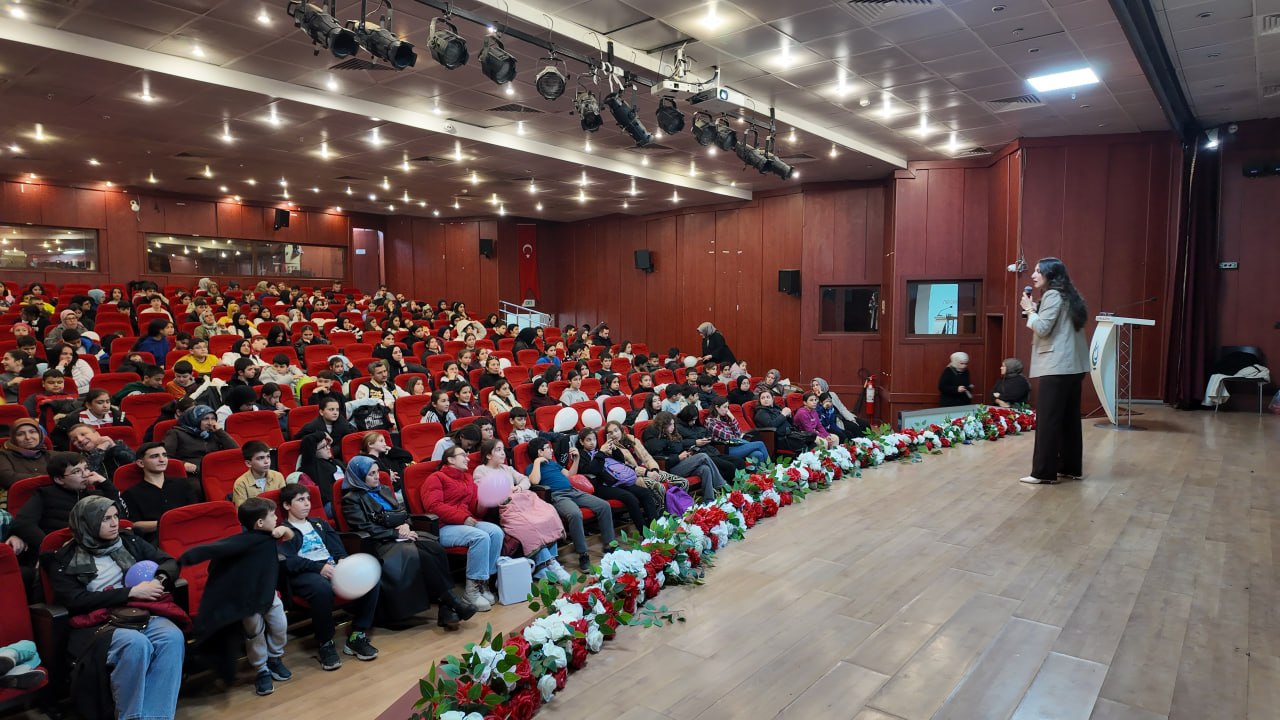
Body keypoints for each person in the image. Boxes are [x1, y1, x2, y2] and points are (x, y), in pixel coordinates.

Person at [45, 497, 185, 720]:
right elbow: (75, 600)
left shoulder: (129, 541)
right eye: (105, 519)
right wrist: (130, 592)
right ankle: (130, 716)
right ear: (87, 523)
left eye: (115, 517)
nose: (114, 524)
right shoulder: (63, 559)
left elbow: (169, 562)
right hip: (95, 623)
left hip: (135, 612)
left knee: (171, 636)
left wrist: (159, 580)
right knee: (135, 644)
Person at [340, 455, 478, 628]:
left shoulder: (384, 490)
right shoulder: (352, 499)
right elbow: (364, 527)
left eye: (377, 472)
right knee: (421, 555)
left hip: (401, 536)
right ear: (359, 477)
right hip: (380, 542)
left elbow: (403, 513)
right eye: (371, 474)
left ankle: (447, 606)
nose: (377, 477)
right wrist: (394, 532)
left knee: (435, 548)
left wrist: (405, 525)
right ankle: (452, 602)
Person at [178, 497, 293, 696]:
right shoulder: (244, 541)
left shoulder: (272, 535)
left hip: (269, 595)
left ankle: (275, 657)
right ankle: (261, 669)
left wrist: (283, 530)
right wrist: (186, 558)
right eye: (273, 515)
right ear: (259, 523)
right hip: (247, 601)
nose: (277, 518)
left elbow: (290, 535)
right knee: (254, 634)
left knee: (280, 625)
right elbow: (216, 548)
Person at [277, 484, 380, 670]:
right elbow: (289, 562)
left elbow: (337, 548)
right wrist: (318, 568)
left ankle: (357, 635)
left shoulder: (319, 523)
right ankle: (326, 642)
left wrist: (342, 561)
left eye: (308, 499)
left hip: (331, 566)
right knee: (321, 588)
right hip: (305, 573)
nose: (307, 504)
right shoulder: (283, 530)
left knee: (370, 578)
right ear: (286, 505)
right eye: (300, 500)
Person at [1019, 257, 1090, 485]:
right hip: (1074, 367)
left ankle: (1043, 473)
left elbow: (1042, 328)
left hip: (1057, 366)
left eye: (1039, 271)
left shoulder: (1052, 295)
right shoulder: (1070, 295)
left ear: (1051, 274)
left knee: (1048, 420)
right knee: (1069, 419)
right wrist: (1035, 310)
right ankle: (1069, 467)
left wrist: (1030, 310)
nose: (1033, 275)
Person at [472, 439, 569, 583]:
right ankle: (550, 563)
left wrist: (520, 487)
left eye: (503, 449)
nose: (502, 453)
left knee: (549, 513)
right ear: (488, 455)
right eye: (498, 450)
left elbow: (525, 479)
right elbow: (483, 491)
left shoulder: (506, 468)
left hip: (522, 500)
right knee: (530, 525)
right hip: (505, 505)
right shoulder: (481, 470)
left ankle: (543, 566)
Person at [422, 447, 505, 611]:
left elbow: (475, 509)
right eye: (463, 455)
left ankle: (484, 583)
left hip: (466, 522)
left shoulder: (467, 478)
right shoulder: (436, 478)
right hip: (443, 527)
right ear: (450, 460)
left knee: (496, 532)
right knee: (480, 537)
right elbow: (433, 506)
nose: (467, 458)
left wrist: (485, 501)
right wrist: (462, 518)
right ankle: (471, 591)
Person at [525, 437, 613, 573]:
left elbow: (570, 475)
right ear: (540, 452)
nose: (551, 449)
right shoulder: (531, 467)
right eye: (548, 448)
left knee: (604, 505)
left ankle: (609, 544)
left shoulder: (554, 464)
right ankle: (583, 554)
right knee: (575, 514)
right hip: (557, 496)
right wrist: (537, 462)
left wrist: (576, 459)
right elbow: (534, 481)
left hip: (573, 491)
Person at [575, 428, 661, 533]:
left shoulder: (600, 451)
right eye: (588, 440)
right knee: (630, 498)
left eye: (594, 439)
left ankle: (656, 529)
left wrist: (615, 449)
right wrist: (601, 453)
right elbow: (593, 470)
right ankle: (645, 533)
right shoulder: (581, 455)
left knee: (645, 493)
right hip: (600, 486)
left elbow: (620, 461)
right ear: (581, 442)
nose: (592, 443)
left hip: (617, 480)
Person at [122, 442, 202, 543]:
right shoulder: (131, 494)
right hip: (157, 540)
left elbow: (196, 511)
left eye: (164, 455)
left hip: (190, 532)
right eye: (154, 456)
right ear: (141, 463)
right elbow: (134, 524)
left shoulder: (183, 484)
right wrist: (168, 523)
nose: (162, 459)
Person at [642, 412, 726, 502]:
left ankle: (709, 500)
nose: (673, 427)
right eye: (670, 425)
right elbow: (660, 459)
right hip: (668, 469)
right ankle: (721, 486)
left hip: (679, 463)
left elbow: (679, 445)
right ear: (663, 425)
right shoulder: (652, 438)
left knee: (705, 469)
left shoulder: (669, 433)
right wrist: (678, 457)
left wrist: (686, 454)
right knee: (703, 456)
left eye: (673, 424)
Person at [163, 404, 238, 476]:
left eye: (213, 419)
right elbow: (165, 456)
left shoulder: (214, 433)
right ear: (194, 419)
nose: (210, 423)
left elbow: (236, 452)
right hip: (191, 474)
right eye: (205, 419)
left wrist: (220, 432)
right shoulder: (176, 433)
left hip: (215, 472)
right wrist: (183, 465)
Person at [706, 396, 770, 466]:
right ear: (717, 407)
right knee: (760, 444)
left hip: (735, 445)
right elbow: (728, 437)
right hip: (725, 449)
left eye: (728, 407)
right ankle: (771, 468)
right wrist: (737, 438)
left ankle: (759, 475)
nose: (727, 410)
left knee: (758, 454)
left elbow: (738, 433)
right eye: (724, 407)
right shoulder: (711, 422)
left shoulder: (725, 419)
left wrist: (732, 418)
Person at [294, 432, 344, 516]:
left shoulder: (336, 461)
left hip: (347, 497)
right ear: (314, 451)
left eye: (328, 444)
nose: (328, 448)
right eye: (324, 447)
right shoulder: (311, 464)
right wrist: (323, 434)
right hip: (331, 503)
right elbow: (308, 440)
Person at [67, 423, 136, 480]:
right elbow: (88, 472)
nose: (80, 439)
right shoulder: (79, 458)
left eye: (83, 434)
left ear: (97, 434)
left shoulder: (117, 445)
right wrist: (100, 449)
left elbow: (134, 461)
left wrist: (113, 447)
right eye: (74, 440)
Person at [0, 419, 50, 491]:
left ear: (40, 434)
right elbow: (7, 479)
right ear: (14, 438)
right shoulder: (3, 455)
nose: (28, 437)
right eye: (20, 434)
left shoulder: (50, 454)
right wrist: (49, 478)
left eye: (32, 432)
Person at [232, 441, 286, 506]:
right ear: (248, 463)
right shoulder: (240, 483)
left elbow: (284, 502)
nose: (266, 461)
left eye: (268, 456)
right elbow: (241, 512)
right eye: (260, 458)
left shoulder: (278, 476)